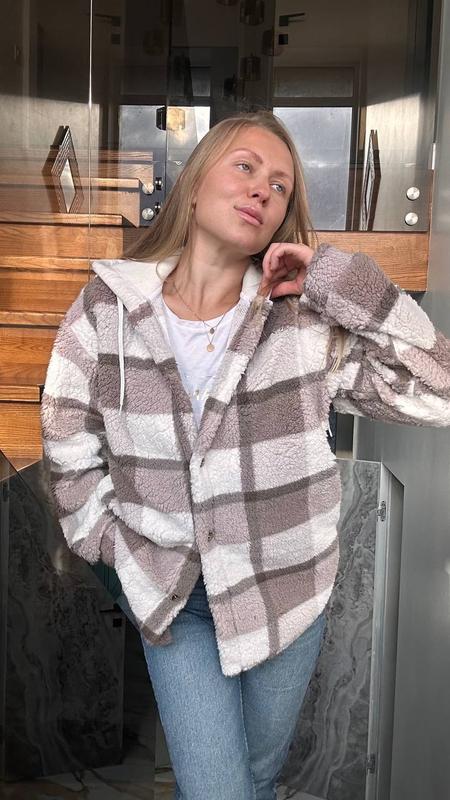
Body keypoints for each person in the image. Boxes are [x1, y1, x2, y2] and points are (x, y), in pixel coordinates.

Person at [40, 111, 450, 800]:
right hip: (174, 598)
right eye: (245, 167)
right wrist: (114, 545)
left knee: (256, 779)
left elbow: (441, 389)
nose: (263, 188)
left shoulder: (303, 323)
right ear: (195, 181)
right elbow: (66, 441)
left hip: (288, 590)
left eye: (281, 186)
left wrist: (339, 280)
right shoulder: (106, 309)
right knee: (218, 791)